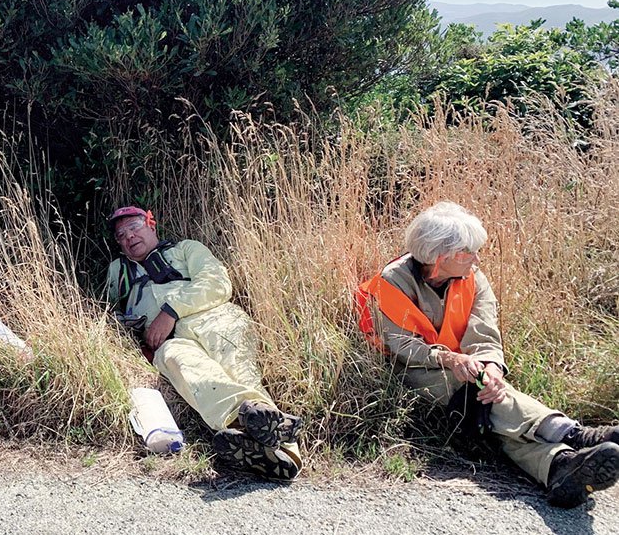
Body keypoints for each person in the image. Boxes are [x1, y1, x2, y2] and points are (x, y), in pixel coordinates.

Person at [358, 201, 619, 508]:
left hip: (466, 369)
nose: (477, 258)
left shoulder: (473, 277)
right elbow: (403, 346)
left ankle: (559, 466)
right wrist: (452, 360)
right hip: (412, 370)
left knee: (484, 402)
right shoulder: (391, 282)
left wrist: (492, 370)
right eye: (469, 252)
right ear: (442, 257)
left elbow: (485, 334)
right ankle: (574, 435)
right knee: (475, 394)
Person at [105, 206, 302, 479]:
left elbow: (217, 283)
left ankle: (283, 451)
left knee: (239, 372)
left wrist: (171, 311)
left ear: (151, 224)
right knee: (180, 364)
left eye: (134, 227)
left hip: (215, 318)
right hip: (171, 341)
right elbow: (106, 313)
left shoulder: (186, 249)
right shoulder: (119, 272)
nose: (128, 236)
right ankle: (252, 429)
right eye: (121, 234)